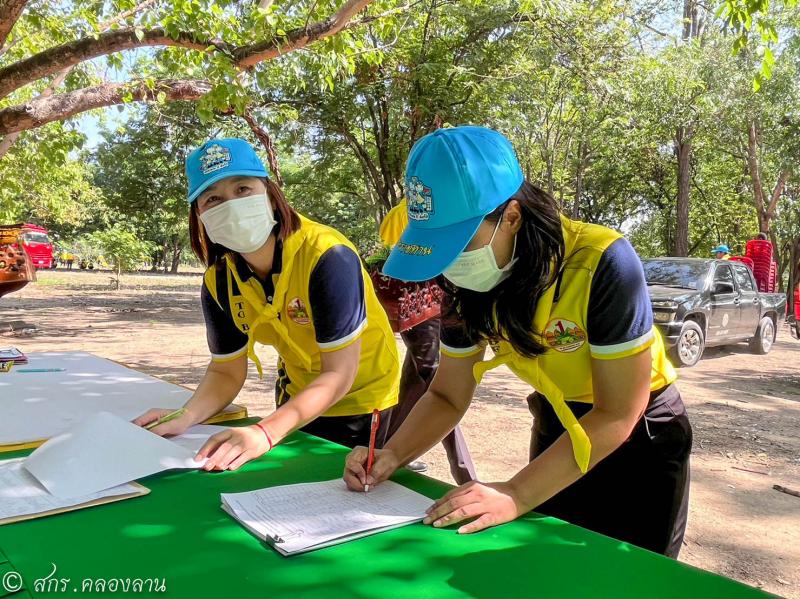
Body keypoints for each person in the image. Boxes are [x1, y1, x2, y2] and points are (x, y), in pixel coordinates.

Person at [344, 126, 692, 558]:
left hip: (642, 435)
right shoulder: (464, 283)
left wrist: (516, 493)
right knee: (551, 564)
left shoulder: (602, 261)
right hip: (557, 420)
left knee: (632, 577)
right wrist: (392, 454)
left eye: (459, 243)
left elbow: (619, 410)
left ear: (511, 216)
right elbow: (450, 394)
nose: (448, 264)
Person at [135, 138, 400, 471]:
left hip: (362, 400)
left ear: (271, 196)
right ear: (199, 216)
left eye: (243, 189)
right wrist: (186, 415)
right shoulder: (219, 281)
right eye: (213, 198)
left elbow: (339, 373)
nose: (230, 204)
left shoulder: (327, 256)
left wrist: (264, 431)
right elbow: (225, 370)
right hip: (297, 396)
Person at [379, 200, 476, 484]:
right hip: (424, 307)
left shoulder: (405, 212)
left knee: (424, 380)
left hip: (423, 309)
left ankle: (462, 473)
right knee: (426, 381)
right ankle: (389, 453)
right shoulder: (416, 211)